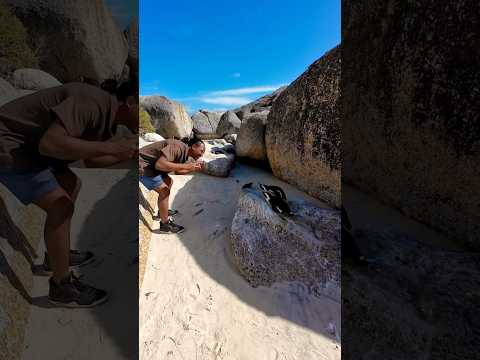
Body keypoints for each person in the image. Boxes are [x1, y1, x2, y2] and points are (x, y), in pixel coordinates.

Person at [0, 80, 139, 308]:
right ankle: (61, 286)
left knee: (71, 184)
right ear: (131, 101)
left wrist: (130, 154)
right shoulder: (92, 103)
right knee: (60, 205)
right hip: (9, 144)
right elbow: (51, 143)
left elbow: (93, 160)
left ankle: (55, 257)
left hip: (30, 148)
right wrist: (114, 148)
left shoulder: (109, 118)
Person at [139, 137, 205, 234]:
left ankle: (162, 212)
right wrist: (187, 166)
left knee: (169, 181)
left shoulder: (185, 153)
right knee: (164, 191)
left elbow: (178, 171)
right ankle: (165, 225)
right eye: (201, 151)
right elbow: (160, 165)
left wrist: (193, 169)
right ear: (194, 146)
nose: (202, 154)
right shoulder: (177, 147)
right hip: (142, 165)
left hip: (151, 166)